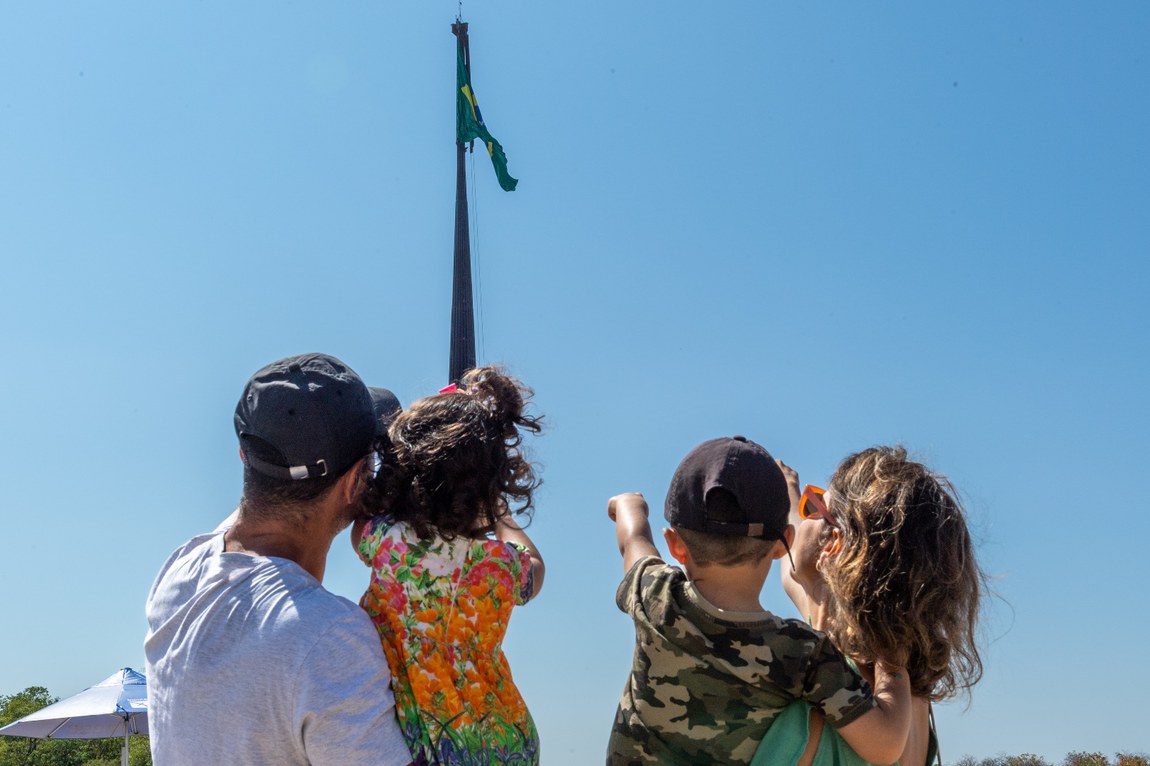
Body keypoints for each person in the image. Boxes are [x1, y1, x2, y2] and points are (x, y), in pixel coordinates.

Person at [144, 353, 413, 766]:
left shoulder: (181, 573)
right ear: (355, 482)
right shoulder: (328, 639)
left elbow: (256, 510)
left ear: (244, 456)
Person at [606, 436, 912, 766]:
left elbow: (634, 540)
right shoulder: (803, 653)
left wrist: (627, 505)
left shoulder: (655, 594)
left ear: (676, 545)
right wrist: (891, 655)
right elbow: (886, 745)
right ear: (783, 546)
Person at [353, 365, 546, 766]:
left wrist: (392, 485)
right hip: (504, 740)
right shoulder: (499, 565)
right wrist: (501, 517)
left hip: (428, 742)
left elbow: (360, 531)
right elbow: (536, 569)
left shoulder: (388, 543)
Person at [752, 447, 985, 766]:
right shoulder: (900, 682)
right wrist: (790, 491)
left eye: (814, 506)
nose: (801, 519)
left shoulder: (837, 689)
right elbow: (796, 561)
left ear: (833, 544)